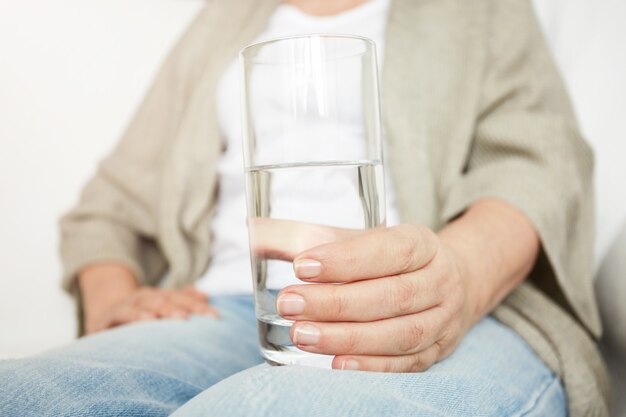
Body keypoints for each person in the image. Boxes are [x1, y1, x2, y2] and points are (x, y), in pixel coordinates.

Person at [0, 0, 610, 416]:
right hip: (230, 312)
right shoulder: (225, 21)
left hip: (432, 305)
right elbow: (109, 205)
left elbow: (543, 159)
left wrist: (461, 275)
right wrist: (111, 295)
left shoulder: (476, 9)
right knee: (23, 395)